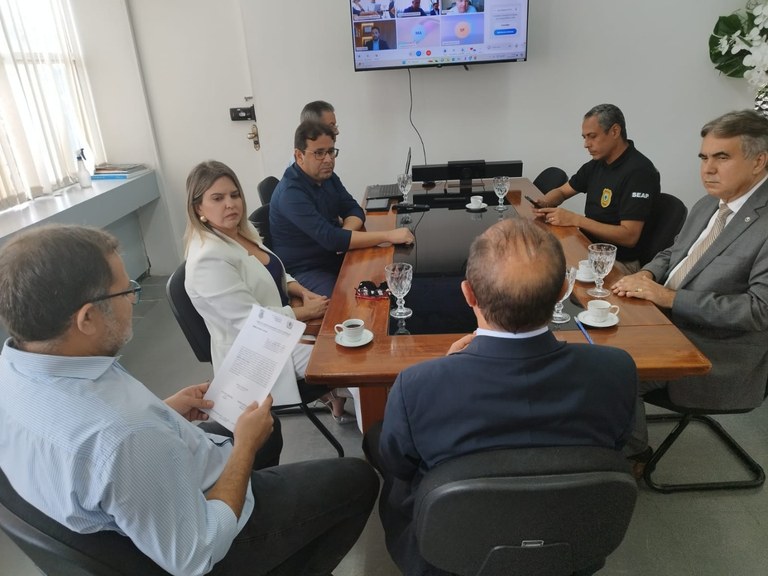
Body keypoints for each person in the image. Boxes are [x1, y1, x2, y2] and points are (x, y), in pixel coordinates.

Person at [0, 224, 378, 576]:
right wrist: (244, 448)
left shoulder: (19, 368)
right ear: (86, 319)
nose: (133, 299)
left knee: (271, 429)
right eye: (126, 291)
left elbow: (95, 458)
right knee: (358, 480)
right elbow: (196, 554)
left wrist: (163, 412)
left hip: (148, 486)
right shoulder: (123, 436)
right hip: (202, 539)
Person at [364, 218, 637, 576]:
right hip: (568, 540)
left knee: (378, 440)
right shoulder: (617, 369)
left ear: (468, 294)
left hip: (450, 553)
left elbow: (400, 464)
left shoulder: (417, 385)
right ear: (561, 293)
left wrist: (444, 374)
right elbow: (620, 443)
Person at [611, 109, 768, 471]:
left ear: (759, 161)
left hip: (717, 349)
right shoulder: (709, 202)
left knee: (616, 370)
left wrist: (670, 298)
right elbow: (673, 253)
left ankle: (631, 456)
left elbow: (759, 310)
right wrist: (647, 276)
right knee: (589, 342)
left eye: (722, 157)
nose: (708, 169)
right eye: (704, 157)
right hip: (665, 320)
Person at [183, 160, 354, 424]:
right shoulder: (208, 259)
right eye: (217, 198)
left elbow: (272, 269)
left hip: (281, 331)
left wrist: (301, 289)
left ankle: (354, 399)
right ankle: (379, 430)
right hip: (258, 351)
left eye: (234, 194)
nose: (230, 204)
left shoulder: (239, 232)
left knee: (352, 338)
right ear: (198, 208)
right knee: (349, 354)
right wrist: (304, 311)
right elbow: (252, 321)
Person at [270, 120, 414, 297]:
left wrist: (344, 234)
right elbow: (331, 239)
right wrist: (388, 235)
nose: (328, 159)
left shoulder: (327, 176)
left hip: (333, 256)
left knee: (386, 273)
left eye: (331, 151)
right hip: (306, 270)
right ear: (299, 156)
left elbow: (354, 209)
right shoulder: (290, 193)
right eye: (319, 153)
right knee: (343, 302)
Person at [534, 103, 661, 272]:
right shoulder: (597, 164)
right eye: (584, 137)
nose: (586, 144)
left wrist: (575, 219)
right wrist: (544, 202)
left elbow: (629, 236)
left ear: (615, 131)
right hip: (587, 246)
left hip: (618, 261)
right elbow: (563, 191)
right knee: (535, 258)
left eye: (592, 136)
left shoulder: (639, 172)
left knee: (546, 272)